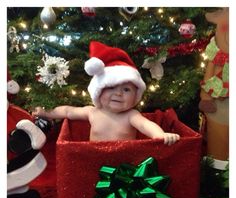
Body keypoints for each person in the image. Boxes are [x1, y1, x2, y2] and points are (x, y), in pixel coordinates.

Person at [32, 41, 180, 145]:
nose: (118, 94)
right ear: (98, 91)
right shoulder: (92, 112)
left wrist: (159, 135)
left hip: (123, 164)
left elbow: (146, 125)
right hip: (95, 158)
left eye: (126, 89)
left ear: (136, 96)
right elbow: (68, 111)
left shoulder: (131, 115)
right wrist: (45, 112)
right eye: (111, 88)